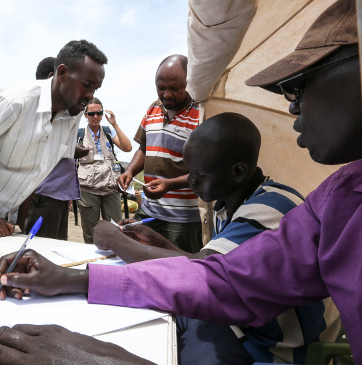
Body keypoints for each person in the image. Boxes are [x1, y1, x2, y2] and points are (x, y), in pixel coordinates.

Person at [0, 0, 362, 365]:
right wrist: (72, 279)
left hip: (262, 347)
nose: (293, 103)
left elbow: (217, 284)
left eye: (299, 85)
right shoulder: (338, 199)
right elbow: (220, 280)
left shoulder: (272, 208)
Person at [95, 112, 337, 363]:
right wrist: (159, 242)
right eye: (189, 171)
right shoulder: (231, 203)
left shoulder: (270, 209)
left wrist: (114, 239)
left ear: (238, 172)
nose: (190, 181)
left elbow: (200, 277)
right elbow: (215, 270)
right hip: (247, 325)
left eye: (199, 174)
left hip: (276, 346)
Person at [0, 40, 107, 237]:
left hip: (4, 217)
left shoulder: (73, 114)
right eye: (86, 85)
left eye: (95, 89)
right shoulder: (17, 101)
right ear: (62, 73)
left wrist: (20, 223)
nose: (90, 95)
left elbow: (37, 169)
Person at [118, 54, 203, 253]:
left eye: (174, 88)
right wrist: (129, 172)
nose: (166, 95)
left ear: (188, 83)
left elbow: (206, 170)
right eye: (161, 87)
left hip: (183, 219)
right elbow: (143, 149)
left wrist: (171, 184)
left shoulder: (200, 115)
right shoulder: (153, 108)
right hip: (150, 211)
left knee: (178, 270)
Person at [22, 56, 88, 240]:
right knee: (39, 251)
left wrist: (72, 149)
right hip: (44, 192)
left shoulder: (67, 110)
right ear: (56, 76)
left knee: (54, 250)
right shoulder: (34, 109)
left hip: (59, 192)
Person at [77, 98, 131, 243]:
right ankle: (92, 264)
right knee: (90, 233)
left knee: (116, 231)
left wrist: (114, 124)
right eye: (91, 113)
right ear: (85, 115)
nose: (95, 117)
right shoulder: (79, 135)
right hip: (88, 191)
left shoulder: (109, 131)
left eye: (99, 113)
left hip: (111, 189)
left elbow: (128, 148)